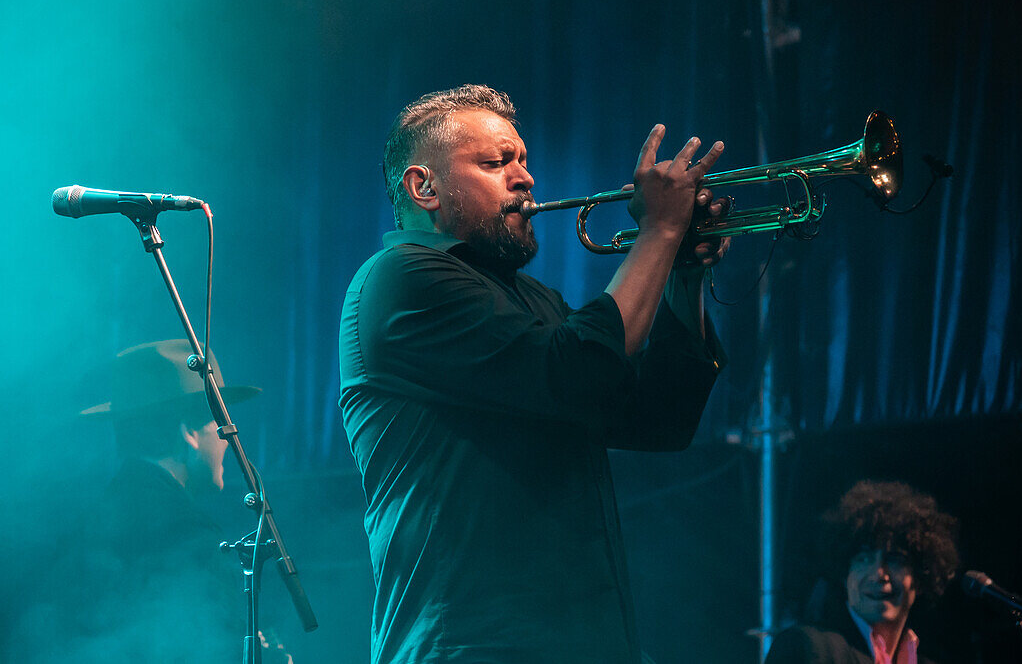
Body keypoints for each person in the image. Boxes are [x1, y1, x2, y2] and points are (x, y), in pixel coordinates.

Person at [339, 84, 731, 663]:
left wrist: (682, 272)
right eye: (496, 163)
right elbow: (581, 371)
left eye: (523, 161)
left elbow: (659, 420)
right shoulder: (401, 279)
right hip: (470, 645)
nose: (524, 179)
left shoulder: (534, 300)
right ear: (424, 188)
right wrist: (659, 234)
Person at [54, 339, 289, 663]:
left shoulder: (90, 521)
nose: (227, 439)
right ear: (189, 433)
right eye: (218, 424)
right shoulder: (188, 534)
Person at [765, 480, 959, 664]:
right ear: (844, 574)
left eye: (895, 559)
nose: (879, 574)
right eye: (864, 559)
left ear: (920, 575)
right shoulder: (809, 647)